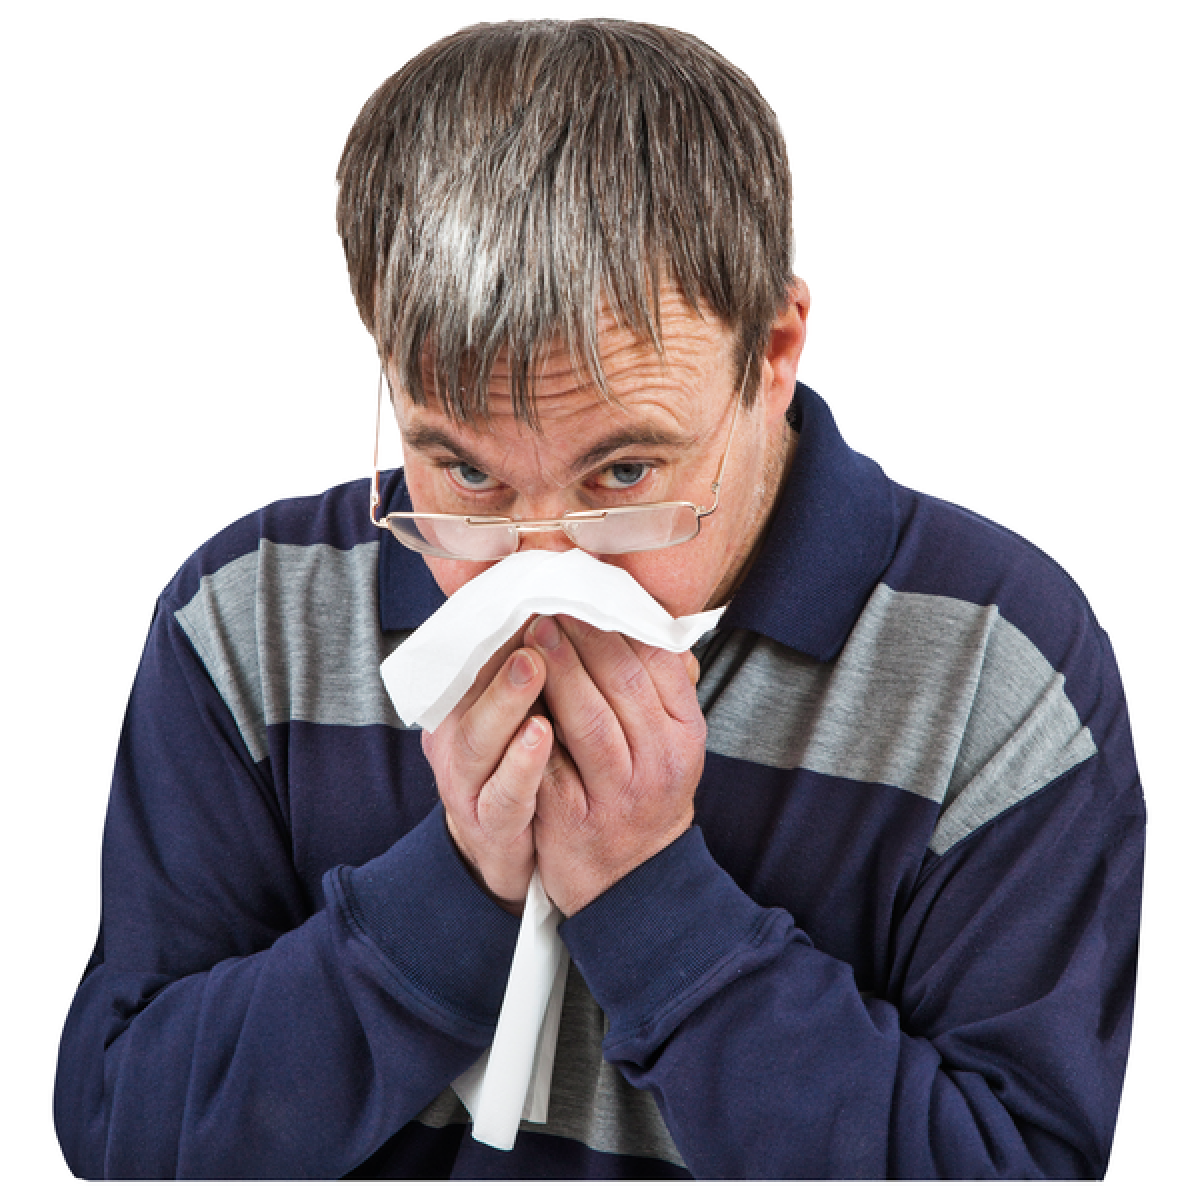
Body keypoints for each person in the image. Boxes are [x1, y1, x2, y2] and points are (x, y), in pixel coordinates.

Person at [53, 18, 1144, 1180]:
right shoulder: (251, 618)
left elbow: (1008, 1169)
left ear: (771, 352)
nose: (538, 567)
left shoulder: (997, 668)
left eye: (624, 474)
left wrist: (651, 895)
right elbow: (126, 1129)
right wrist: (449, 895)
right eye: (464, 472)